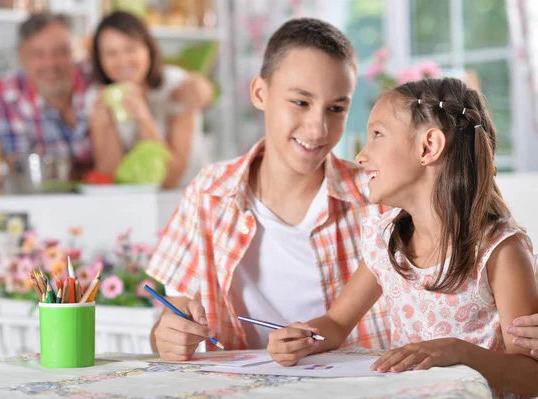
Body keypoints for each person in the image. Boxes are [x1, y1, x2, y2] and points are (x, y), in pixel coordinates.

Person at [267, 77, 538, 397]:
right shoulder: (386, 240)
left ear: (428, 146)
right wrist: (301, 341)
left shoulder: (499, 251)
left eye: (377, 135)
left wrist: (459, 351)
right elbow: (336, 324)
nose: (362, 156)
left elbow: (530, 376)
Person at [145, 18, 391, 361]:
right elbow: (173, 315)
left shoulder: (377, 196)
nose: (318, 129)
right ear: (260, 93)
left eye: (336, 108)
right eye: (301, 102)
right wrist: (168, 336)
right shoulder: (209, 193)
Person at [88, 11, 214, 188]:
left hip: (192, 196)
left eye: (130, 48)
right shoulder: (100, 99)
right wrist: (103, 124)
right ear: (100, 60)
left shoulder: (175, 86)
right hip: (140, 204)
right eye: (111, 53)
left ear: (148, 48)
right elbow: (112, 176)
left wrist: (143, 117)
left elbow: (170, 177)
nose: (123, 61)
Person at [0, 12, 93, 176]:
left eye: (60, 52)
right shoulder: (8, 93)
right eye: (38, 54)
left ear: (74, 52)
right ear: (22, 57)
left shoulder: (95, 81)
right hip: (42, 197)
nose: (50, 63)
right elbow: (20, 168)